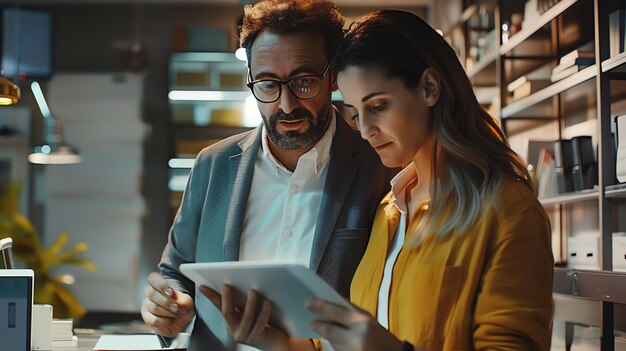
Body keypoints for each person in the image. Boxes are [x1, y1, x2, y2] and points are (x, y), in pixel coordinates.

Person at [204, 9, 554, 351]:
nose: (367, 130)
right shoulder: (390, 210)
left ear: (429, 87)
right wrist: (277, 343)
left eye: (379, 105)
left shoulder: (507, 211)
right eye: (355, 112)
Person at [140, 1, 394, 351]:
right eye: (267, 84)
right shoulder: (212, 164)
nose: (286, 105)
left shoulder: (378, 164)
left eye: (304, 82)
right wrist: (168, 304)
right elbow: (175, 271)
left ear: (333, 75)